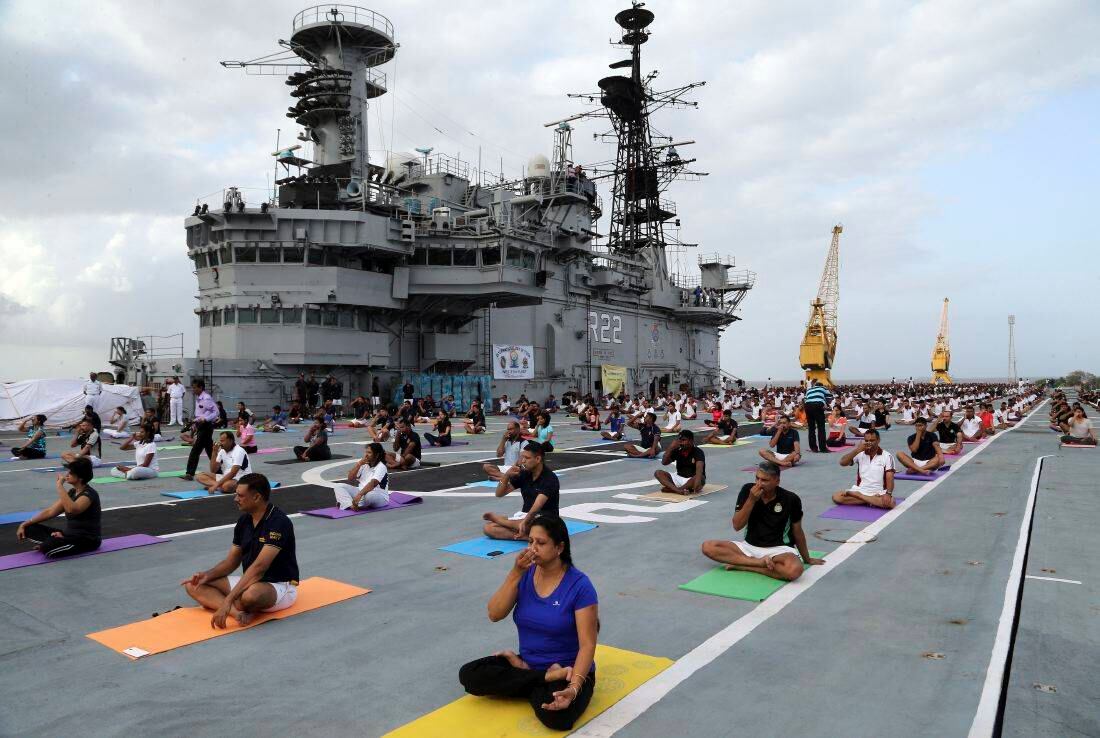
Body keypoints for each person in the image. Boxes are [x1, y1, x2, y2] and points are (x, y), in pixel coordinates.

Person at [458, 515, 597, 731]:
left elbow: (588, 645)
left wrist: (574, 687)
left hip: (569, 670)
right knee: (469, 674)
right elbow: (494, 614)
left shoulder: (580, 585)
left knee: (558, 717)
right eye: (530, 541)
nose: (533, 548)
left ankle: (530, 681)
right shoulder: (524, 574)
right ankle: (540, 678)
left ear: (559, 548)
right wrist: (515, 572)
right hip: (530, 664)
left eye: (541, 543)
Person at [181, 473, 299, 628]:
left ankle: (228, 604)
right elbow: (231, 562)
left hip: (278, 585)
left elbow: (259, 568)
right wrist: (207, 575)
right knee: (193, 585)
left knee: (251, 596)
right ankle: (237, 613)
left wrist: (228, 599)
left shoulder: (278, 522)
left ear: (256, 497)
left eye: (240, 495)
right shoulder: (244, 521)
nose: (235, 499)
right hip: (250, 580)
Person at [701, 461, 823, 580]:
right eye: (757, 478)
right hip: (749, 547)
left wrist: (807, 559)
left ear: (777, 481)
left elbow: (797, 531)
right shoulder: (748, 491)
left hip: (779, 550)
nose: (759, 484)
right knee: (708, 547)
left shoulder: (791, 499)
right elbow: (737, 525)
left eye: (764, 480)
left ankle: (747, 566)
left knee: (794, 570)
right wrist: (751, 500)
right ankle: (759, 563)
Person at [15, 457, 101, 558]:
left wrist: (60, 486)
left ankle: (52, 543)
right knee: (28, 528)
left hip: (87, 539)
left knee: (47, 549)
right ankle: (56, 541)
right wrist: (25, 523)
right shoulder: (72, 492)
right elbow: (50, 512)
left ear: (80, 478)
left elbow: (72, 509)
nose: (67, 475)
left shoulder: (89, 494)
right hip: (68, 535)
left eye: (70, 473)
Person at [483, 442, 559, 540]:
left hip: (544, 519)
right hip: (524, 517)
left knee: (534, 525)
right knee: (489, 528)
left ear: (538, 459)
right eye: (522, 457)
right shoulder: (524, 474)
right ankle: (527, 537)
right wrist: (506, 475)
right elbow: (499, 493)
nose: (523, 461)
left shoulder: (549, 478)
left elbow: (537, 506)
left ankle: (505, 522)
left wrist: (525, 521)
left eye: (527, 458)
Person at [831, 429, 896, 509]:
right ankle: (871, 500)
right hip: (861, 490)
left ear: (878, 440)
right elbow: (842, 462)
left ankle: (861, 497)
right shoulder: (860, 453)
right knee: (837, 497)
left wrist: (888, 494)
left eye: (872, 440)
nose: (869, 443)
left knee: (891, 503)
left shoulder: (887, 456)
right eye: (866, 440)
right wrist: (857, 450)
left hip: (879, 492)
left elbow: (890, 477)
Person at [333, 443, 391, 510]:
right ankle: (351, 505)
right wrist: (359, 464)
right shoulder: (364, 464)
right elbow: (350, 478)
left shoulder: (381, 466)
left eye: (369, 452)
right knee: (338, 486)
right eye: (366, 452)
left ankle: (346, 503)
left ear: (377, 455)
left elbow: (373, 483)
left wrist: (360, 495)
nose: (366, 455)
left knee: (369, 496)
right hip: (361, 492)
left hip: (379, 496)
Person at [182, 379, 219, 482]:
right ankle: (220, 471)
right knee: (210, 451)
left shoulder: (206, 398)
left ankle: (189, 473)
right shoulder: (199, 398)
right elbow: (201, 414)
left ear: (201, 387)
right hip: (201, 425)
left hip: (206, 426)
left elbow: (216, 412)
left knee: (195, 450)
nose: (193, 389)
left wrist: (205, 419)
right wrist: (195, 423)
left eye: (195, 387)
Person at [655, 429, 706, 495]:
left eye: (683, 440)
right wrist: (670, 448)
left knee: (700, 477)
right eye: (679, 440)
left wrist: (698, 482)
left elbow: (699, 468)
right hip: (679, 477)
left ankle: (674, 489)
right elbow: (664, 462)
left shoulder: (698, 451)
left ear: (691, 441)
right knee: (658, 473)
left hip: (691, 479)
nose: (681, 442)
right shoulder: (678, 450)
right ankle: (679, 490)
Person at [804, 379, 832, 453]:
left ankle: (813, 448)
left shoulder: (809, 390)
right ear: (822, 385)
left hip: (807, 406)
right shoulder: (823, 388)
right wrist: (826, 404)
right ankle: (823, 448)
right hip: (817, 405)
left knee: (811, 428)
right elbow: (830, 398)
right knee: (821, 427)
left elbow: (805, 399)